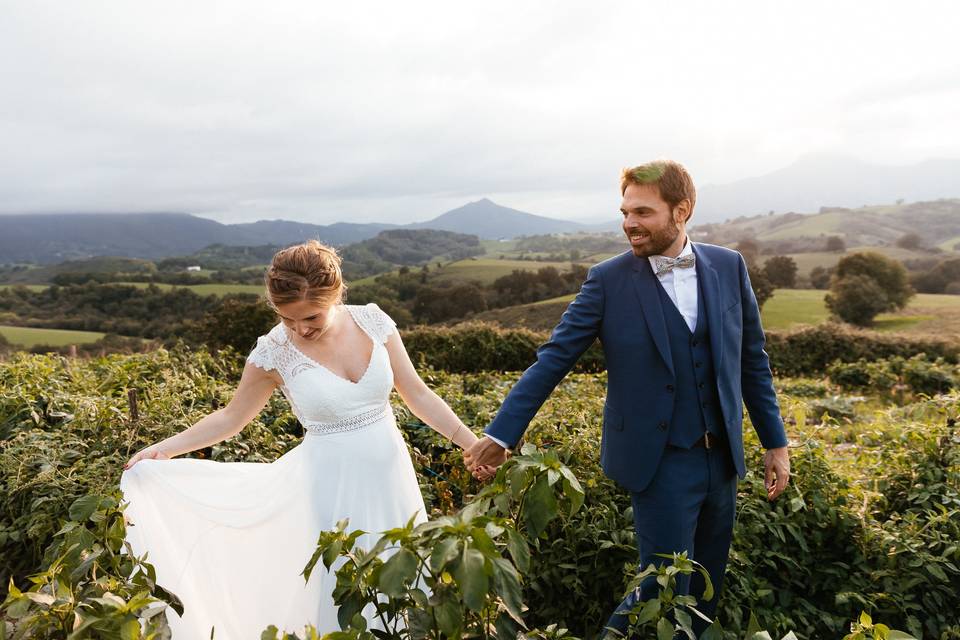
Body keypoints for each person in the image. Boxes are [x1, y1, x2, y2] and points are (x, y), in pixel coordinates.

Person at [464, 160, 791, 637]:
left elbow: (751, 361)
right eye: (625, 212)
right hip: (658, 464)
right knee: (661, 591)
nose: (629, 224)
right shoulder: (607, 280)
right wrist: (501, 433)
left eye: (642, 212)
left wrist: (774, 442)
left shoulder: (728, 265)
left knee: (705, 594)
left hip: (722, 461)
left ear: (682, 210)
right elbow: (552, 360)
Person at [121, 239, 491, 638]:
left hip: (392, 476)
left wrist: (474, 445)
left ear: (336, 295)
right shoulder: (273, 352)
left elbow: (417, 393)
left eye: (311, 317)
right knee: (343, 589)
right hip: (329, 487)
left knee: (402, 578)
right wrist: (162, 450)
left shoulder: (373, 321)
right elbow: (231, 418)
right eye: (287, 319)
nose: (300, 329)